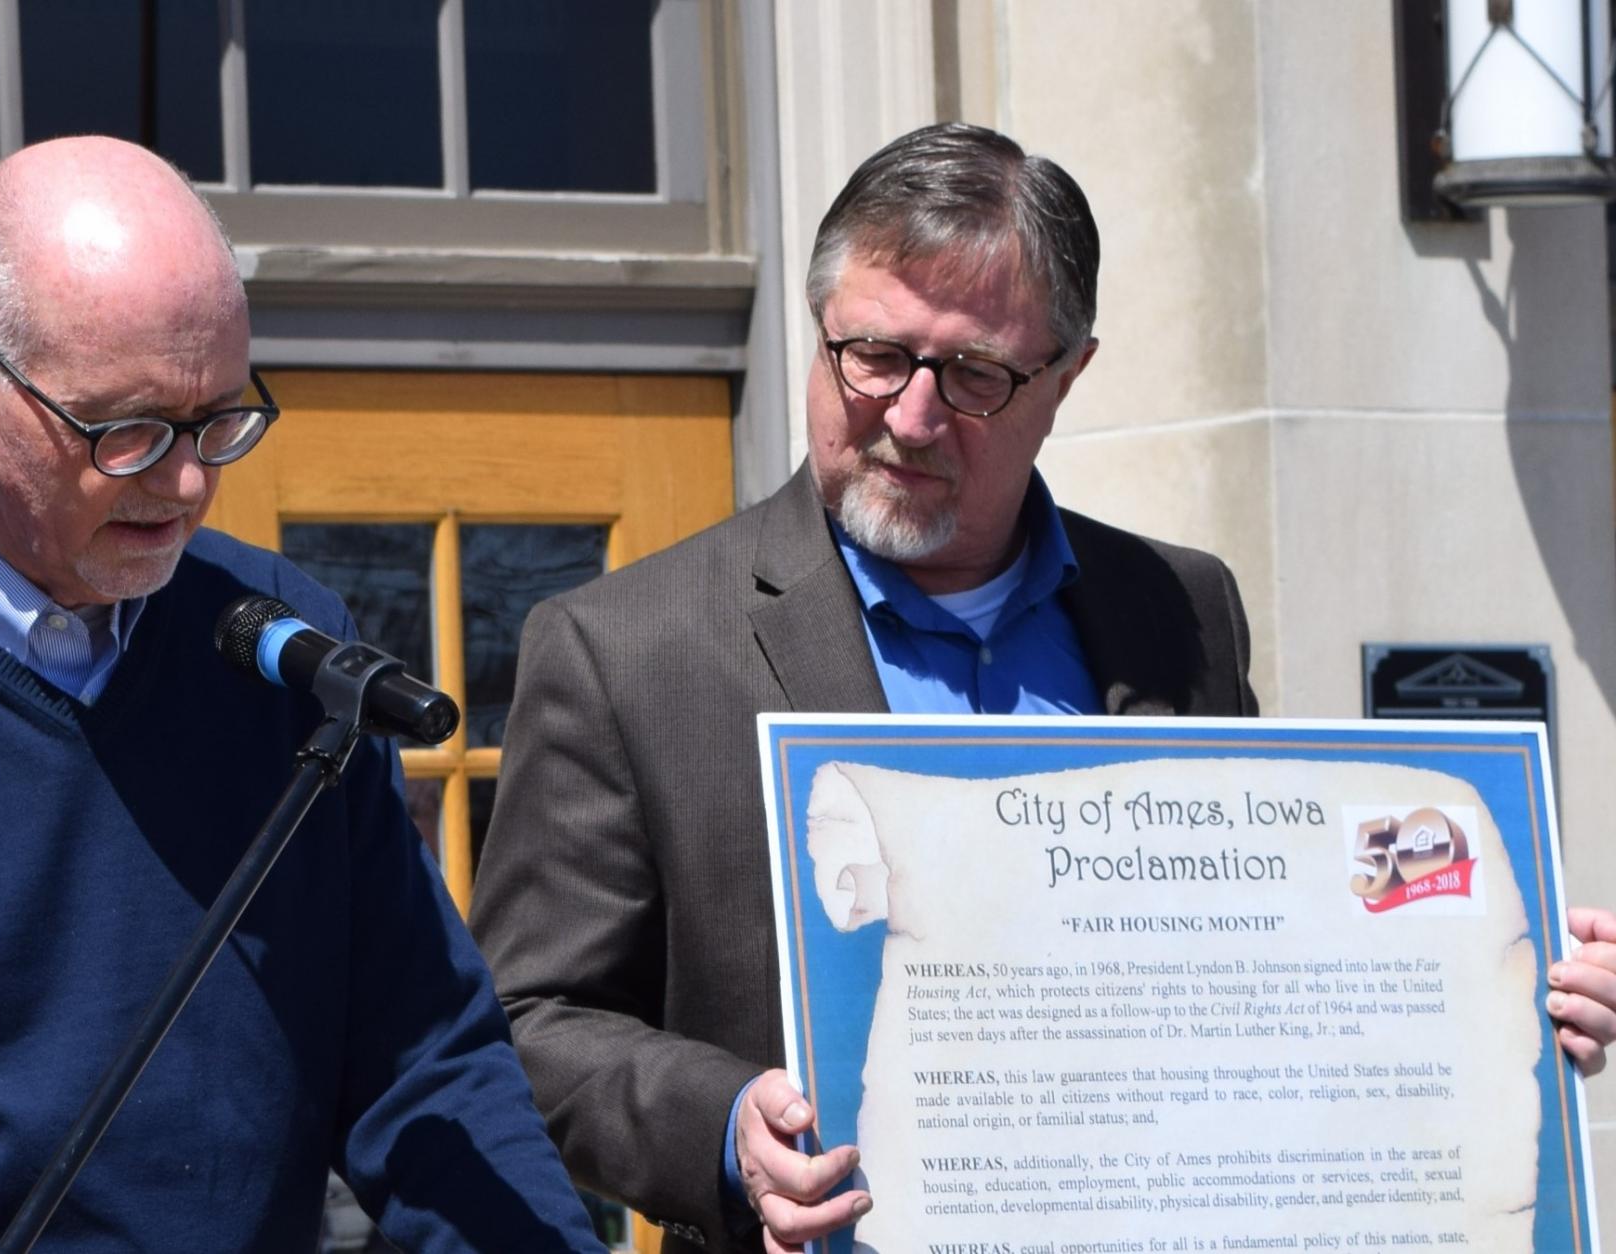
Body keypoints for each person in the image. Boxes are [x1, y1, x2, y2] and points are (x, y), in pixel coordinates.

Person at [466, 122, 1616, 1253]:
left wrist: (1497, 971)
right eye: (871, 355)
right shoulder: (629, 649)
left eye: (972, 376)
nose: (910, 418)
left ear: (1066, 375)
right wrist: (720, 1127)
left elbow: (1278, 941)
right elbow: (522, 1025)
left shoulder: (1179, 611)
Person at [0, 136, 600, 1253]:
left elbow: (426, 1069)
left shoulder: (283, 643)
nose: (185, 484)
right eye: (124, 430)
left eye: (217, 420)